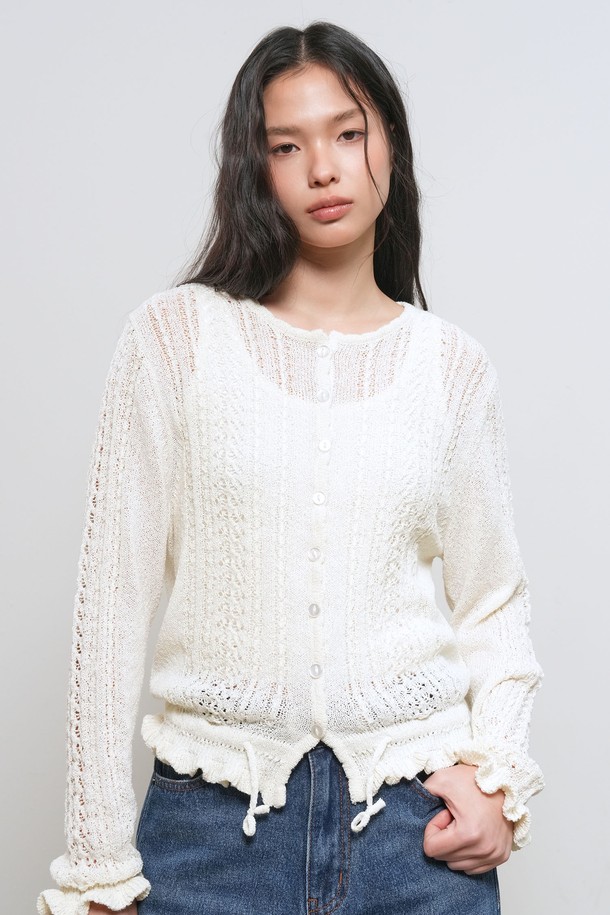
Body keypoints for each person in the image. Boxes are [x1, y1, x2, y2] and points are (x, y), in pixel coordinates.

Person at [37, 20, 544, 915]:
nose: (323, 169)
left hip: (414, 840)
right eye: (286, 145)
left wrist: (498, 777)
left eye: (348, 133)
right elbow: (110, 607)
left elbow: (493, 600)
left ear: (391, 143)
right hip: (207, 842)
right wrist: (97, 863)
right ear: (255, 167)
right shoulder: (175, 340)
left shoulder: (451, 368)